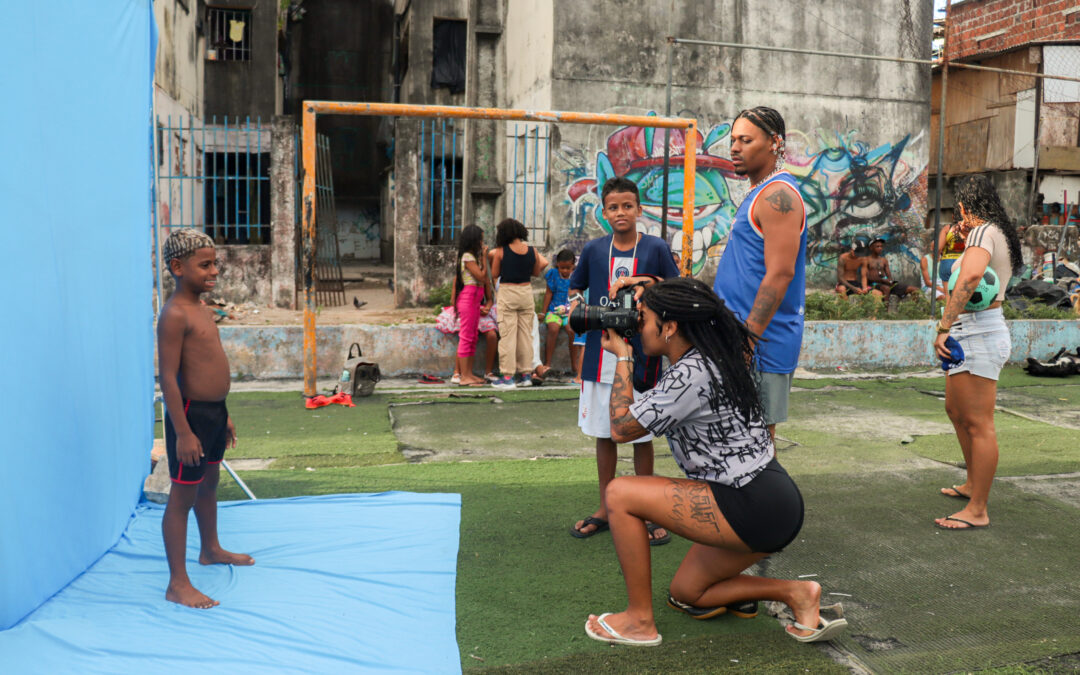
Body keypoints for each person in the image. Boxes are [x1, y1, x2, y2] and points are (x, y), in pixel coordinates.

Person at [582, 277, 846, 646]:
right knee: (689, 592)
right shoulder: (713, 355)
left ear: (670, 327)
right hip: (769, 499)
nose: (637, 326)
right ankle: (797, 593)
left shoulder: (691, 374)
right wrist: (655, 287)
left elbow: (623, 428)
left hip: (749, 503)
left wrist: (623, 357)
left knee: (620, 493)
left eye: (643, 318)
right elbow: (703, 300)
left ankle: (639, 621)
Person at [567, 176, 680, 544]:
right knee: (606, 431)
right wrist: (575, 307)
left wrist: (641, 280)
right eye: (613, 207)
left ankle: (646, 509)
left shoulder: (656, 247)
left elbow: (674, 287)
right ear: (603, 212)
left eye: (627, 206)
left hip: (644, 356)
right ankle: (606, 505)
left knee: (641, 433)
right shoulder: (595, 250)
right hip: (602, 354)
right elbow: (575, 286)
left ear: (638, 209)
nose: (621, 212)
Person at [157, 228, 254, 609]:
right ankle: (177, 583)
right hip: (190, 417)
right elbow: (168, 376)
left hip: (214, 414)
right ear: (178, 267)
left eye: (216, 263)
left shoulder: (203, 307)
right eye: (205, 265)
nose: (214, 271)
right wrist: (183, 432)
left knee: (209, 484)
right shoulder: (174, 314)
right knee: (182, 497)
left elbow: (208, 365)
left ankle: (210, 548)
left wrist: (223, 414)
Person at [932, 175, 1022, 530]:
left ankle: (978, 509)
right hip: (970, 330)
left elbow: (970, 280)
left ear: (965, 207)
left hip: (979, 332)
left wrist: (943, 327)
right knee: (956, 411)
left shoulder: (983, 231)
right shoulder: (996, 232)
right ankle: (972, 484)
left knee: (979, 423)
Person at [712, 107, 807, 441]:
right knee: (737, 439)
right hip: (740, 337)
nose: (735, 147)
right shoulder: (759, 192)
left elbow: (780, 274)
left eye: (746, 140)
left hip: (760, 345)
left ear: (774, 143)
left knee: (757, 442)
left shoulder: (778, 196)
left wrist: (747, 339)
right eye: (733, 139)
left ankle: (770, 497)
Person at [489, 219, 547, 389]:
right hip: (526, 292)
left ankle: (507, 377)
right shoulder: (533, 251)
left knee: (507, 336)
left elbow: (495, 273)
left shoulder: (500, 252)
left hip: (508, 293)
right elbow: (536, 272)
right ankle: (525, 375)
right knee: (525, 336)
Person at [452, 225, 492, 386]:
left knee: (472, 337)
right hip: (468, 299)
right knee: (466, 337)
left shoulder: (472, 257)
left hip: (474, 300)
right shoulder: (468, 257)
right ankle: (464, 376)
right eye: (480, 239)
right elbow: (482, 277)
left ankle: (468, 373)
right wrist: (484, 256)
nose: (482, 242)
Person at [538, 249, 582, 380]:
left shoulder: (576, 277)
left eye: (568, 268)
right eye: (562, 267)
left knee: (571, 330)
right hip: (554, 311)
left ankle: (574, 365)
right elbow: (548, 294)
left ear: (573, 265)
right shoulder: (553, 275)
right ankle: (547, 363)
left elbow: (576, 296)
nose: (564, 271)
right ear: (557, 264)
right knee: (553, 328)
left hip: (570, 311)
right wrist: (543, 312)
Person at [937, 217, 967, 284]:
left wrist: (937, 257)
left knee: (947, 294)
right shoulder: (968, 228)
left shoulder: (947, 228)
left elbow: (939, 248)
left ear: (953, 216)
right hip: (962, 262)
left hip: (947, 262)